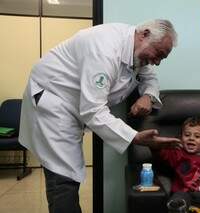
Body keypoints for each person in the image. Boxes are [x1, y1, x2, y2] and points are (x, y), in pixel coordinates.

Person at [18, 19, 180, 213]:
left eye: (162, 58)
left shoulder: (133, 47)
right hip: (52, 103)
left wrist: (147, 95)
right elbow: (93, 110)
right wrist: (135, 137)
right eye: (158, 54)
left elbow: (149, 76)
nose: (157, 62)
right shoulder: (103, 49)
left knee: (69, 174)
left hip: (71, 105)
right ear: (144, 34)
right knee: (64, 178)